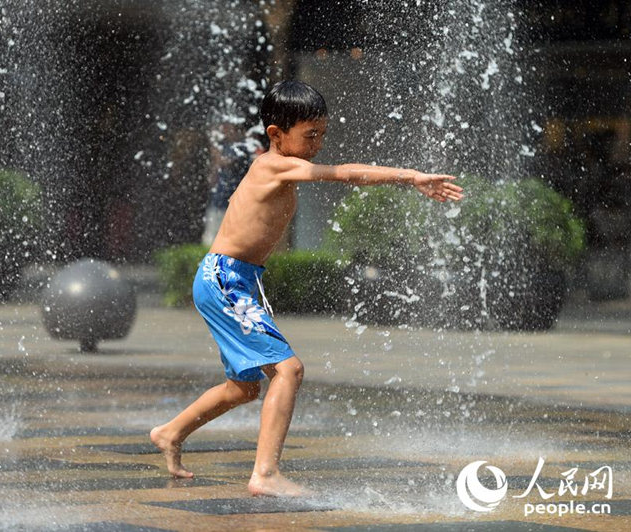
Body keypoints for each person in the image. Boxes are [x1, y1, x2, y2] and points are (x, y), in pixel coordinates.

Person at [150, 81, 464, 497]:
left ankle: (170, 433)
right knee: (289, 369)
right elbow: (344, 173)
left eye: (322, 134)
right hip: (225, 279)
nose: (317, 143)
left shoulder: (282, 167)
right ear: (276, 136)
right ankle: (264, 474)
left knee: (243, 387)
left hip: (237, 280)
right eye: (309, 135)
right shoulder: (271, 164)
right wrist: (410, 177)